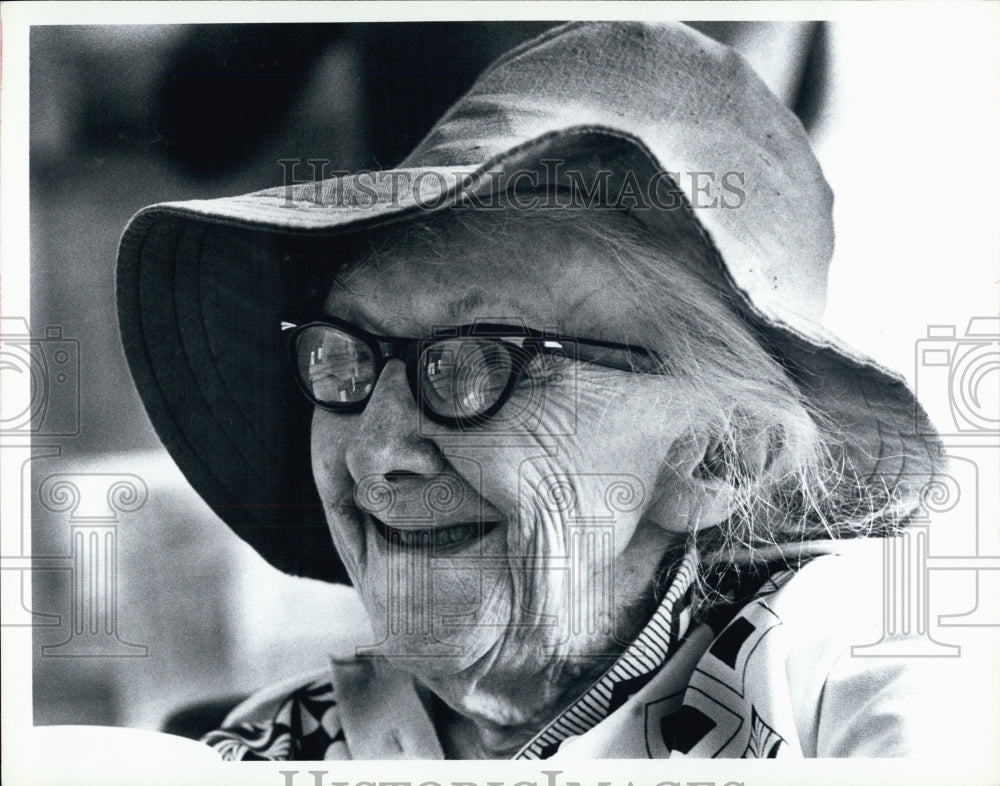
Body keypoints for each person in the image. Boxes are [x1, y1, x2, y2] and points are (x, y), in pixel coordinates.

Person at [116, 22, 961, 759]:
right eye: (346, 360)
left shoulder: (845, 672)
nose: (374, 452)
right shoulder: (258, 752)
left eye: (481, 361)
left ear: (719, 453)